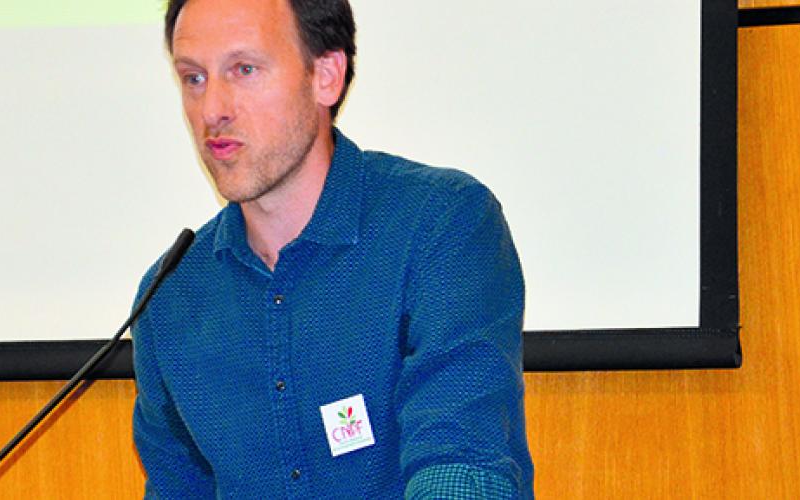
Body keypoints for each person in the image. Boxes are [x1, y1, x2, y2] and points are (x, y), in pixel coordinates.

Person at [130, 0, 533, 497]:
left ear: (327, 75)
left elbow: (461, 462)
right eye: (194, 78)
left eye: (244, 70)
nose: (212, 108)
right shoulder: (170, 300)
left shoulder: (439, 226)